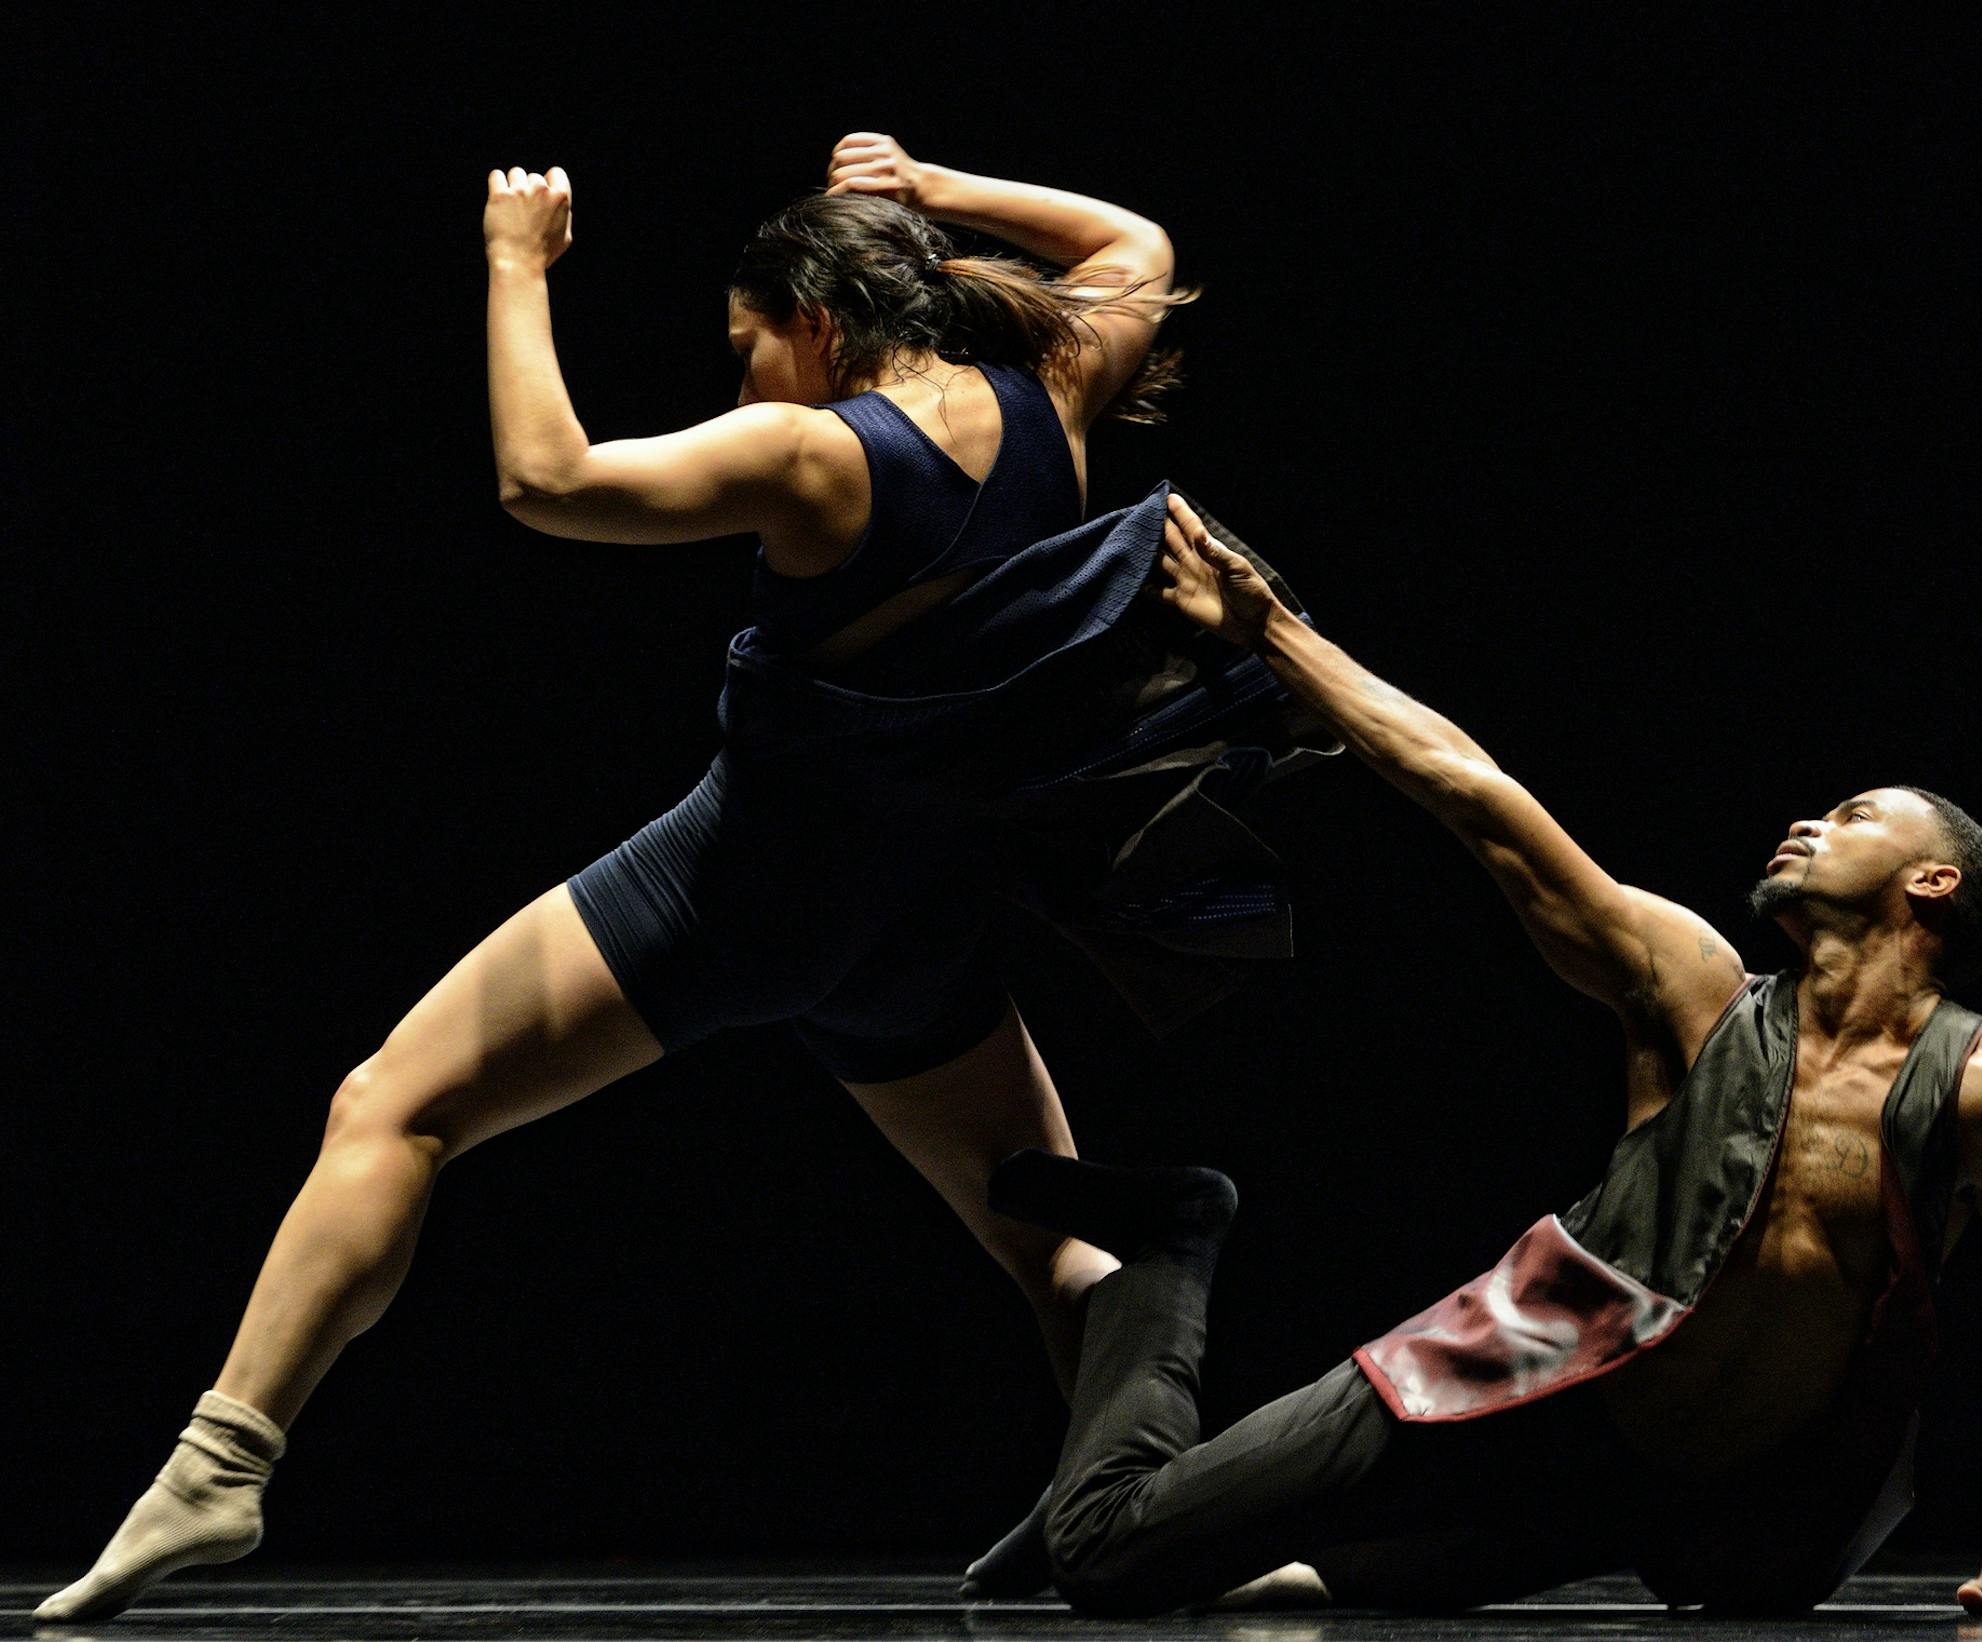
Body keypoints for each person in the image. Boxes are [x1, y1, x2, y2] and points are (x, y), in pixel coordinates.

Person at [36, 144, 1334, 1624]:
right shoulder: (1055, 392)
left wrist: (515, 261)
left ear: (818, 325)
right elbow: (1135, 242)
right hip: (915, 915)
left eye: (747, 346)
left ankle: (220, 1465)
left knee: (392, 1106)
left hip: (746, 891)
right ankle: (1173, 1514)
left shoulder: (816, 455)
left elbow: (547, 480)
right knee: (1052, 1246)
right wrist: (927, 182)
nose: (744, 380)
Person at [979, 496, 1982, 1620]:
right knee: (1107, 1551)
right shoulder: (1691, 986)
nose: (1810, 823)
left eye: (1855, 815)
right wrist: (1271, 632)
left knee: (1276, 1586)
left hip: (1654, 1504)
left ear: (1933, 881)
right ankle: (1172, 1245)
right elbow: (1476, 796)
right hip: (1512, 1373)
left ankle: (1261, 1532)